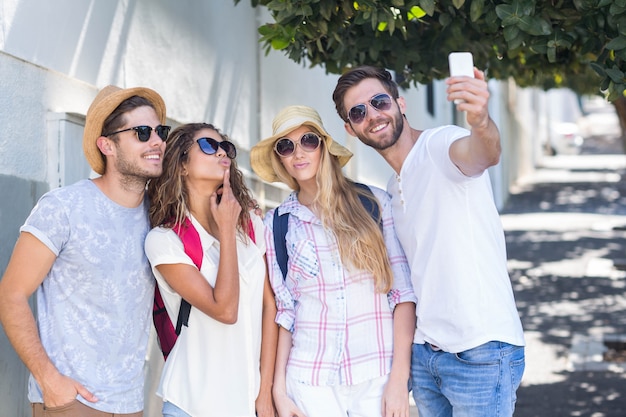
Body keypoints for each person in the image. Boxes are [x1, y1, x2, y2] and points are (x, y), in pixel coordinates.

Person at [332, 66, 526, 416]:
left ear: (400, 103)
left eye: (379, 102)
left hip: (479, 350)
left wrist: (480, 120)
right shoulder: (393, 188)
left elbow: (484, 153)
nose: (373, 115)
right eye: (358, 112)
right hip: (426, 354)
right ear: (350, 128)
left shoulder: (440, 145)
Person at [0, 85, 169, 416]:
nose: (157, 142)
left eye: (160, 132)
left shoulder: (158, 218)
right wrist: (49, 379)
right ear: (107, 145)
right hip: (71, 401)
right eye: (142, 132)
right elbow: (11, 295)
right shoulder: (63, 207)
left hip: (131, 402)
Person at [250, 105, 417, 417]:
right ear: (280, 158)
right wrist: (278, 390)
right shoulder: (276, 224)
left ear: (324, 146)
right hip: (310, 378)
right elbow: (286, 312)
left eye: (308, 141)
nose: (298, 153)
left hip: (376, 374)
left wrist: (399, 377)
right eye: (286, 146)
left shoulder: (374, 203)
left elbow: (403, 295)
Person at [144, 122, 278, 417]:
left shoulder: (252, 226)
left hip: (250, 404)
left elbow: (271, 308)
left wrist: (265, 391)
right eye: (208, 146)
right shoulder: (165, 241)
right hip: (193, 405)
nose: (222, 153)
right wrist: (227, 230)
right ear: (181, 166)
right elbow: (225, 310)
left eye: (226, 147)